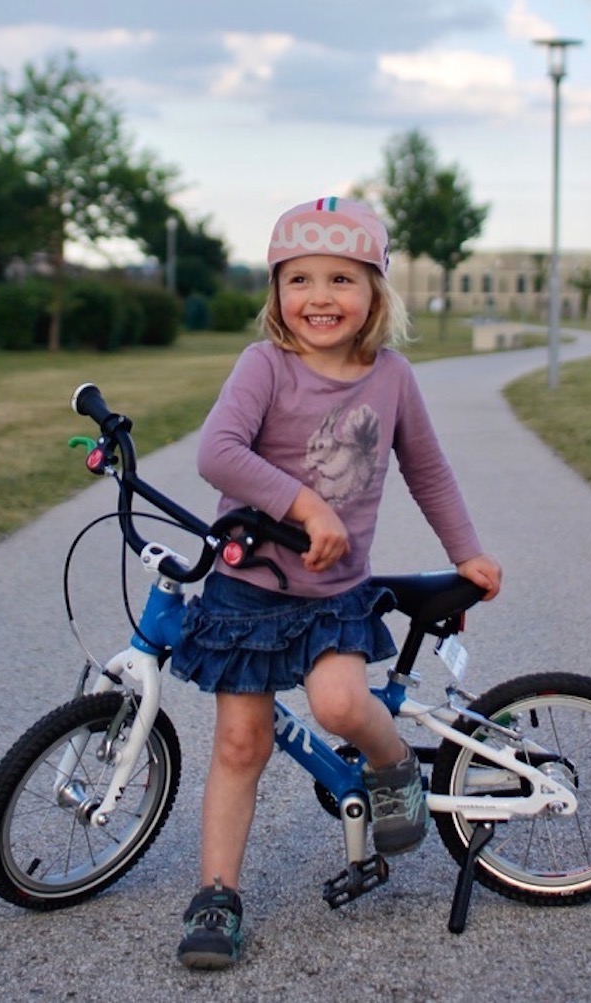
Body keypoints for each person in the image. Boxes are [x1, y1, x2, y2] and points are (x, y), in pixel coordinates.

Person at [171, 197, 502, 969]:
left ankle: (392, 767)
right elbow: (217, 451)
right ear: (277, 290)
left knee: (342, 703)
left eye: (343, 279)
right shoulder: (265, 365)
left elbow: (426, 468)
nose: (320, 297)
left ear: (376, 291)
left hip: (331, 595)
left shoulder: (391, 377)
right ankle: (217, 894)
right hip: (248, 589)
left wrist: (467, 551)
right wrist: (305, 502)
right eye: (301, 279)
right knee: (241, 741)